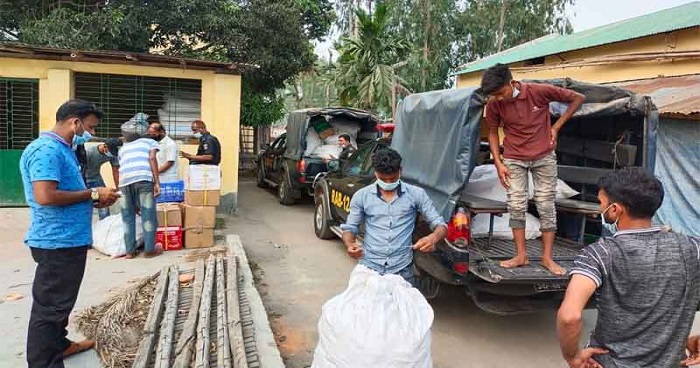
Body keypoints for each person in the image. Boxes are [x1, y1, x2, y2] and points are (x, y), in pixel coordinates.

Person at [557, 167, 700, 368]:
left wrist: (572, 356)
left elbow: (569, 316)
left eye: (601, 203)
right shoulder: (692, 248)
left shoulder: (600, 254)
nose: (600, 209)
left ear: (615, 210)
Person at [19, 99, 120, 368]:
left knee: (61, 303)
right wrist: (94, 193)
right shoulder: (46, 150)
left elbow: (66, 192)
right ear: (75, 122)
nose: (89, 133)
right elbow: (45, 195)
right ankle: (44, 362)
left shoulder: (64, 149)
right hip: (56, 241)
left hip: (69, 239)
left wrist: (95, 201)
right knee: (49, 309)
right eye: (88, 127)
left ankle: (60, 344)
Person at [481, 63, 586, 275]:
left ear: (511, 83)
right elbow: (492, 132)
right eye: (494, 96)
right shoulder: (494, 103)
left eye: (501, 93)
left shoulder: (539, 91)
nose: (499, 99)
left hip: (544, 157)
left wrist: (556, 127)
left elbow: (578, 98)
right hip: (513, 158)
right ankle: (521, 255)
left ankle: (547, 258)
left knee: (546, 205)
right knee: (516, 205)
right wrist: (498, 162)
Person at [340, 148, 447, 285]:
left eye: (393, 178)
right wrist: (350, 244)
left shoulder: (416, 194)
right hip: (369, 267)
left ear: (400, 171)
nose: (389, 184)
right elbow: (350, 228)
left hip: (402, 270)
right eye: (384, 179)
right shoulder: (362, 196)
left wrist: (433, 238)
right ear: (376, 173)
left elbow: (440, 225)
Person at [118, 121, 162, 259]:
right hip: (143, 179)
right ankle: (149, 250)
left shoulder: (123, 148)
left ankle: (130, 252)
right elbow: (152, 158)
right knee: (148, 214)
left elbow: (122, 165)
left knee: (127, 217)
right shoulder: (150, 142)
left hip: (124, 182)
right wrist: (157, 182)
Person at [84, 138, 122, 220]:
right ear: (105, 146)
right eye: (111, 152)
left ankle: (104, 223)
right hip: (84, 180)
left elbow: (115, 171)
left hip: (96, 179)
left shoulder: (113, 154)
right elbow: (80, 170)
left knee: (104, 201)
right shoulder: (89, 152)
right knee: (89, 202)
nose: (112, 155)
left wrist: (119, 188)